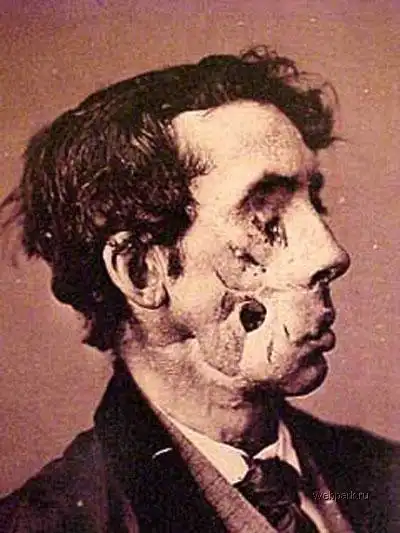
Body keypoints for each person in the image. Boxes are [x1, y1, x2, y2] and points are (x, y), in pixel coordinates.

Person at [0, 47, 398, 533]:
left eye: (314, 201)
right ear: (141, 271)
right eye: (265, 215)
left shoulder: (384, 475)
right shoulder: (53, 525)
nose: (331, 254)